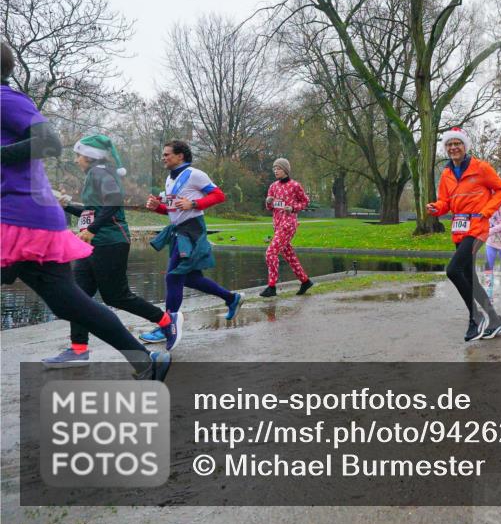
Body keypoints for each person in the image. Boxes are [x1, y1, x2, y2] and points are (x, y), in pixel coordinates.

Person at [0, 41, 169, 380]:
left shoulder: (6, 99)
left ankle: (153, 338)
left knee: (97, 297)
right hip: (26, 218)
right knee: (69, 302)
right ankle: (145, 360)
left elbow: (50, 141)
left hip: (21, 219)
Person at [43, 134, 177, 364]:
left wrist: (93, 229)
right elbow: (92, 211)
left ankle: (165, 320)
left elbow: (113, 201)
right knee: (78, 296)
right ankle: (78, 349)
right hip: (92, 244)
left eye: (78, 155)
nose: (76, 160)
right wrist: (67, 206)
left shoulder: (100, 172)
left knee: (116, 296)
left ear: (89, 156)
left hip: (110, 242)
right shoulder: (95, 175)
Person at [139, 140, 244, 343]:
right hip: (179, 232)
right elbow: (174, 209)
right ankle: (232, 298)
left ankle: (167, 326)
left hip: (192, 231)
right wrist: (157, 207)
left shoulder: (195, 174)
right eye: (163, 154)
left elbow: (219, 195)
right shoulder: (169, 179)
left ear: (180, 156)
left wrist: (194, 203)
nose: (163, 157)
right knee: (190, 278)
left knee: (173, 277)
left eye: (167, 154)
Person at [426, 127, 501, 341]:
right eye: (450, 145)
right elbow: (446, 201)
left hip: (477, 228)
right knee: (470, 278)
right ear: (446, 148)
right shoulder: (446, 173)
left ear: (465, 146)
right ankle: (495, 319)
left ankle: (475, 317)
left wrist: (487, 211)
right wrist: (437, 207)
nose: (453, 147)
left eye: (458, 143)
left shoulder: (481, 167)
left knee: (453, 270)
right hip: (459, 229)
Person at [260, 158, 313, 297]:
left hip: (288, 225)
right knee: (289, 255)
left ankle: (272, 287)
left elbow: (306, 201)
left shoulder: (295, 185)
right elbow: (270, 207)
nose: (275, 171)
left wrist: (293, 208)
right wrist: (268, 202)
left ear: (285, 170)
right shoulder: (273, 186)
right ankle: (305, 281)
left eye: (278, 168)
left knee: (270, 253)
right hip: (277, 225)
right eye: (274, 168)